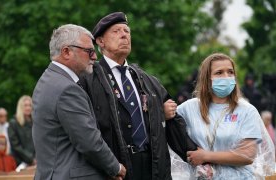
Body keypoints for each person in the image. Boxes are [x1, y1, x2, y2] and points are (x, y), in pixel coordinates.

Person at [79, 12, 197, 180]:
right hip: (116, 166)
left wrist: (195, 154)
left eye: (127, 31)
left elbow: (174, 122)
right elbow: (86, 129)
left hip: (152, 163)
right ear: (100, 41)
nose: (124, 35)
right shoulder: (89, 79)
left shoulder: (147, 80)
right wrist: (158, 111)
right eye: (116, 31)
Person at [32, 24, 126, 180]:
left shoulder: (49, 79)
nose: (95, 57)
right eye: (89, 51)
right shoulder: (67, 89)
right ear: (67, 52)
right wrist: (115, 167)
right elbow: (89, 143)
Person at [175, 53, 275, 179]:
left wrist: (205, 156)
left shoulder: (246, 110)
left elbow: (248, 155)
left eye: (230, 72)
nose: (226, 77)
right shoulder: (188, 108)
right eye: (219, 72)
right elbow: (168, 128)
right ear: (207, 78)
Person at [8, 95, 35, 167]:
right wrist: (30, 159)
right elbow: (15, 146)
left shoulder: (35, 122)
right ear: (20, 107)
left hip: (36, 161)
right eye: (25, 105)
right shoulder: (13, 123)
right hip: (19, 161)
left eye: (30, 105)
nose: (28, 107)